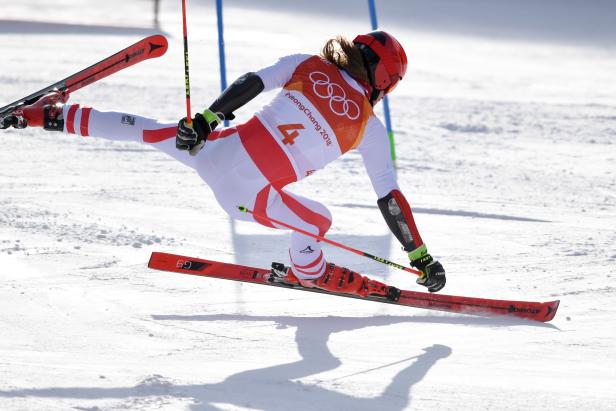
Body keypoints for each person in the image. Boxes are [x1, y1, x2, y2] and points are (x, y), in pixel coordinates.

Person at [3, 31, 446, 297]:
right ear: (387, 80)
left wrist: (206, 119)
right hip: (243, 197)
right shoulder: (370, 129)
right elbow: (389, 198)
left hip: (213, 149)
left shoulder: (307, 64)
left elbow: (251, 82)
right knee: (318, 221)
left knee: (149, 130)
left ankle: (49, 115)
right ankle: (309, 272)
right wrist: (419, 255)